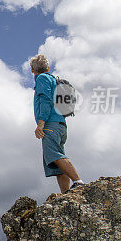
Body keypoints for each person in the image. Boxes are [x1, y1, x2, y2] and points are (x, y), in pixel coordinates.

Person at [29, 54, 86, 194]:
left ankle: (78, 181)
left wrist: (41, 123)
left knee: (55, 155)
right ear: (48, 67)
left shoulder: (42, 78)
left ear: (32, 70)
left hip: (51, 124)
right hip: (61, 124)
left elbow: (46, 100)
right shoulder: (53, 79)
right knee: (57, 161)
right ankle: (66, 193)